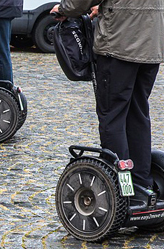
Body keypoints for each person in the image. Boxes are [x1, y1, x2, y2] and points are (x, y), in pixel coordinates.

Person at [51, 0, 164, 203]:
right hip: (151, 42)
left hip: (120, 44)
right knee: (137, 113)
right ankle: (142, 184)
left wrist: (64, 9)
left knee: (113, 115)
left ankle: (123, 190)